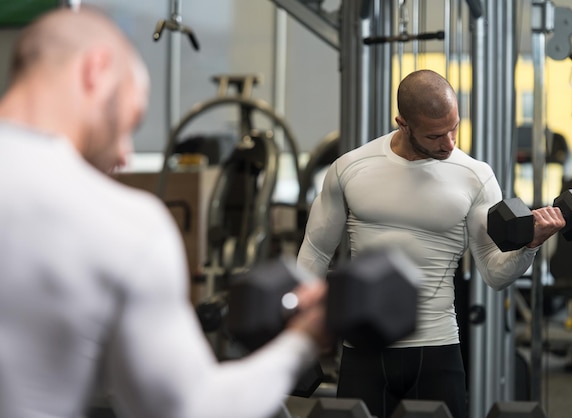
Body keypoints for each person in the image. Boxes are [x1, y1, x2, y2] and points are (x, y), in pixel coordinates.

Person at [0, 7, 328, 418]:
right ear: (95, 70)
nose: (125, 154)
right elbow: (191, 409)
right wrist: (304, 340)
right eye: (130, 121)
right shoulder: (122, 223)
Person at [297, 69, 566, 418]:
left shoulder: (475, 175)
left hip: (436, 347)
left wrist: (530, 245)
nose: (449, 143)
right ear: (403, 124)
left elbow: (495, 275)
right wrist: (299, 337)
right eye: (436, 135)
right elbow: (316, 253)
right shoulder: (351, 167)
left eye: (454, 128)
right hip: (363, 348)